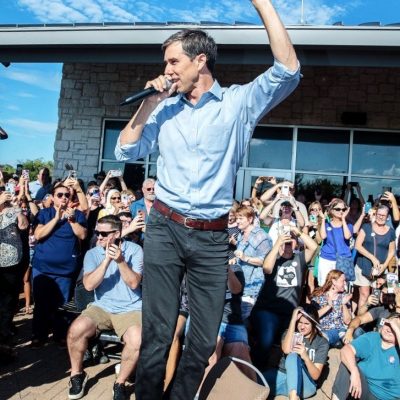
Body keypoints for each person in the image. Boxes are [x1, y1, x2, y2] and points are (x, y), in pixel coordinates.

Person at [115, 0, 300, 397]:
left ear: (200, 61)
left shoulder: (237, 104)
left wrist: (262, 4)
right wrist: (151, 100)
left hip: (212, 238)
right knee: (158, 335)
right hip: (164, 228)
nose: (166, 70)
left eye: (173, 62)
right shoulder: (162, 111)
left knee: (201, 341)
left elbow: (288, 70)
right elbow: (125, 150)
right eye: (165, 63)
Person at [67, 215, 143, 400]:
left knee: (136, 341)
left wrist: (120, 261)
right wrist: (106, 261)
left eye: (103, 233)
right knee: (75, 330)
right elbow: (89, 285)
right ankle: (77, 375)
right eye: (97, 232)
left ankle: (120, 383)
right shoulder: (92, 253)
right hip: (102, 306)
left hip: (130, 307)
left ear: (117, 234)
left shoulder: (135, 250)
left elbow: (134, 283)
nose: (98, 236)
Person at [250, 226, 317, 369]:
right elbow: (266, 268)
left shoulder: (299, 258)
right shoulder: (274, 257)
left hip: (289, 312)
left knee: (290, 342)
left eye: (291, 242)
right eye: (285, 242)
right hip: (268, 309)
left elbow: (314, 246)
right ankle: (256, 370)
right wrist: (278, 243)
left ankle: (280, 370)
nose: (288, 245)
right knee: (267, 338)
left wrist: (298, 233)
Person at [31, 184, 87, 346]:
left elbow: (82, 235)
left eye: (66, 195)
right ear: (53, 197)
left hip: (66, 270)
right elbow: (38, 235)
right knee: (41, 304)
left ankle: (59, 335)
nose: (63, 198)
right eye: (60, 195)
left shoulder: (77, 215)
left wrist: (71, 220)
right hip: (42, 268)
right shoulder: (44, 213)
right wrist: (56, 218)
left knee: (61, 305)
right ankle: (39, 336)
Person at [263, 306, 329, 400]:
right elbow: (286, 349)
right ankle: (289, 392)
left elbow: (315, 376)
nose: (302, 326)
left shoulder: (321, 342)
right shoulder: (289, 333)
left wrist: (305, 357)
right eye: (300, 322)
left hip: (306, 383)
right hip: (283, 375)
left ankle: (293, 397)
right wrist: (293, 320)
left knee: (293, 356)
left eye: (306, 324)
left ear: (313, 324)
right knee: (256, 380)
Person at [332, 313, 400, 400]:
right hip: (363, 390)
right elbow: (346, 350)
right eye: (388, 324)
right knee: (347, 364)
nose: (390, 329)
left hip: (385, 397)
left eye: (395, 328)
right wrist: (354, 372)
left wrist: (396, 327)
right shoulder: (373, 337)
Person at [354, 205, 396, 312]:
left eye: (383, 215)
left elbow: (392, 251)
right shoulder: (366, 227)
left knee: (378, 296)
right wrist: (372, 258)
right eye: (379, 214)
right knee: (365, 294)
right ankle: (360, 322)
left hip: (380, 269)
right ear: (375, 214)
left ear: (387, 217)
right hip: (364, 265)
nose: (380, 217)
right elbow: (357, 245)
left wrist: (384, 266)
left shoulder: (391, 232)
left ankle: (373, 320)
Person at [311, 270, 353, 347]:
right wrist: (328, 306)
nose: (345, 283)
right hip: (323, 330)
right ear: (334, 281)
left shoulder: (344, 297)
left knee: (343, 335)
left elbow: (347, 321)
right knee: (324, 337)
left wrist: (343, 304)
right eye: (343, 281)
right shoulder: (319, 297)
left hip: (340, 330)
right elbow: (313, 316)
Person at [318, 198, 354, 286]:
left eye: (343, 209)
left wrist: (344, 219)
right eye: (338, 209)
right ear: (332, 210)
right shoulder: (326, 224)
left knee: (341, 287)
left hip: (342, 259)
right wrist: (323, 219)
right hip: (327, 259)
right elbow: (323, 236)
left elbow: (347, 236)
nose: (341, 211)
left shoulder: (349, 225)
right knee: (324, 285)